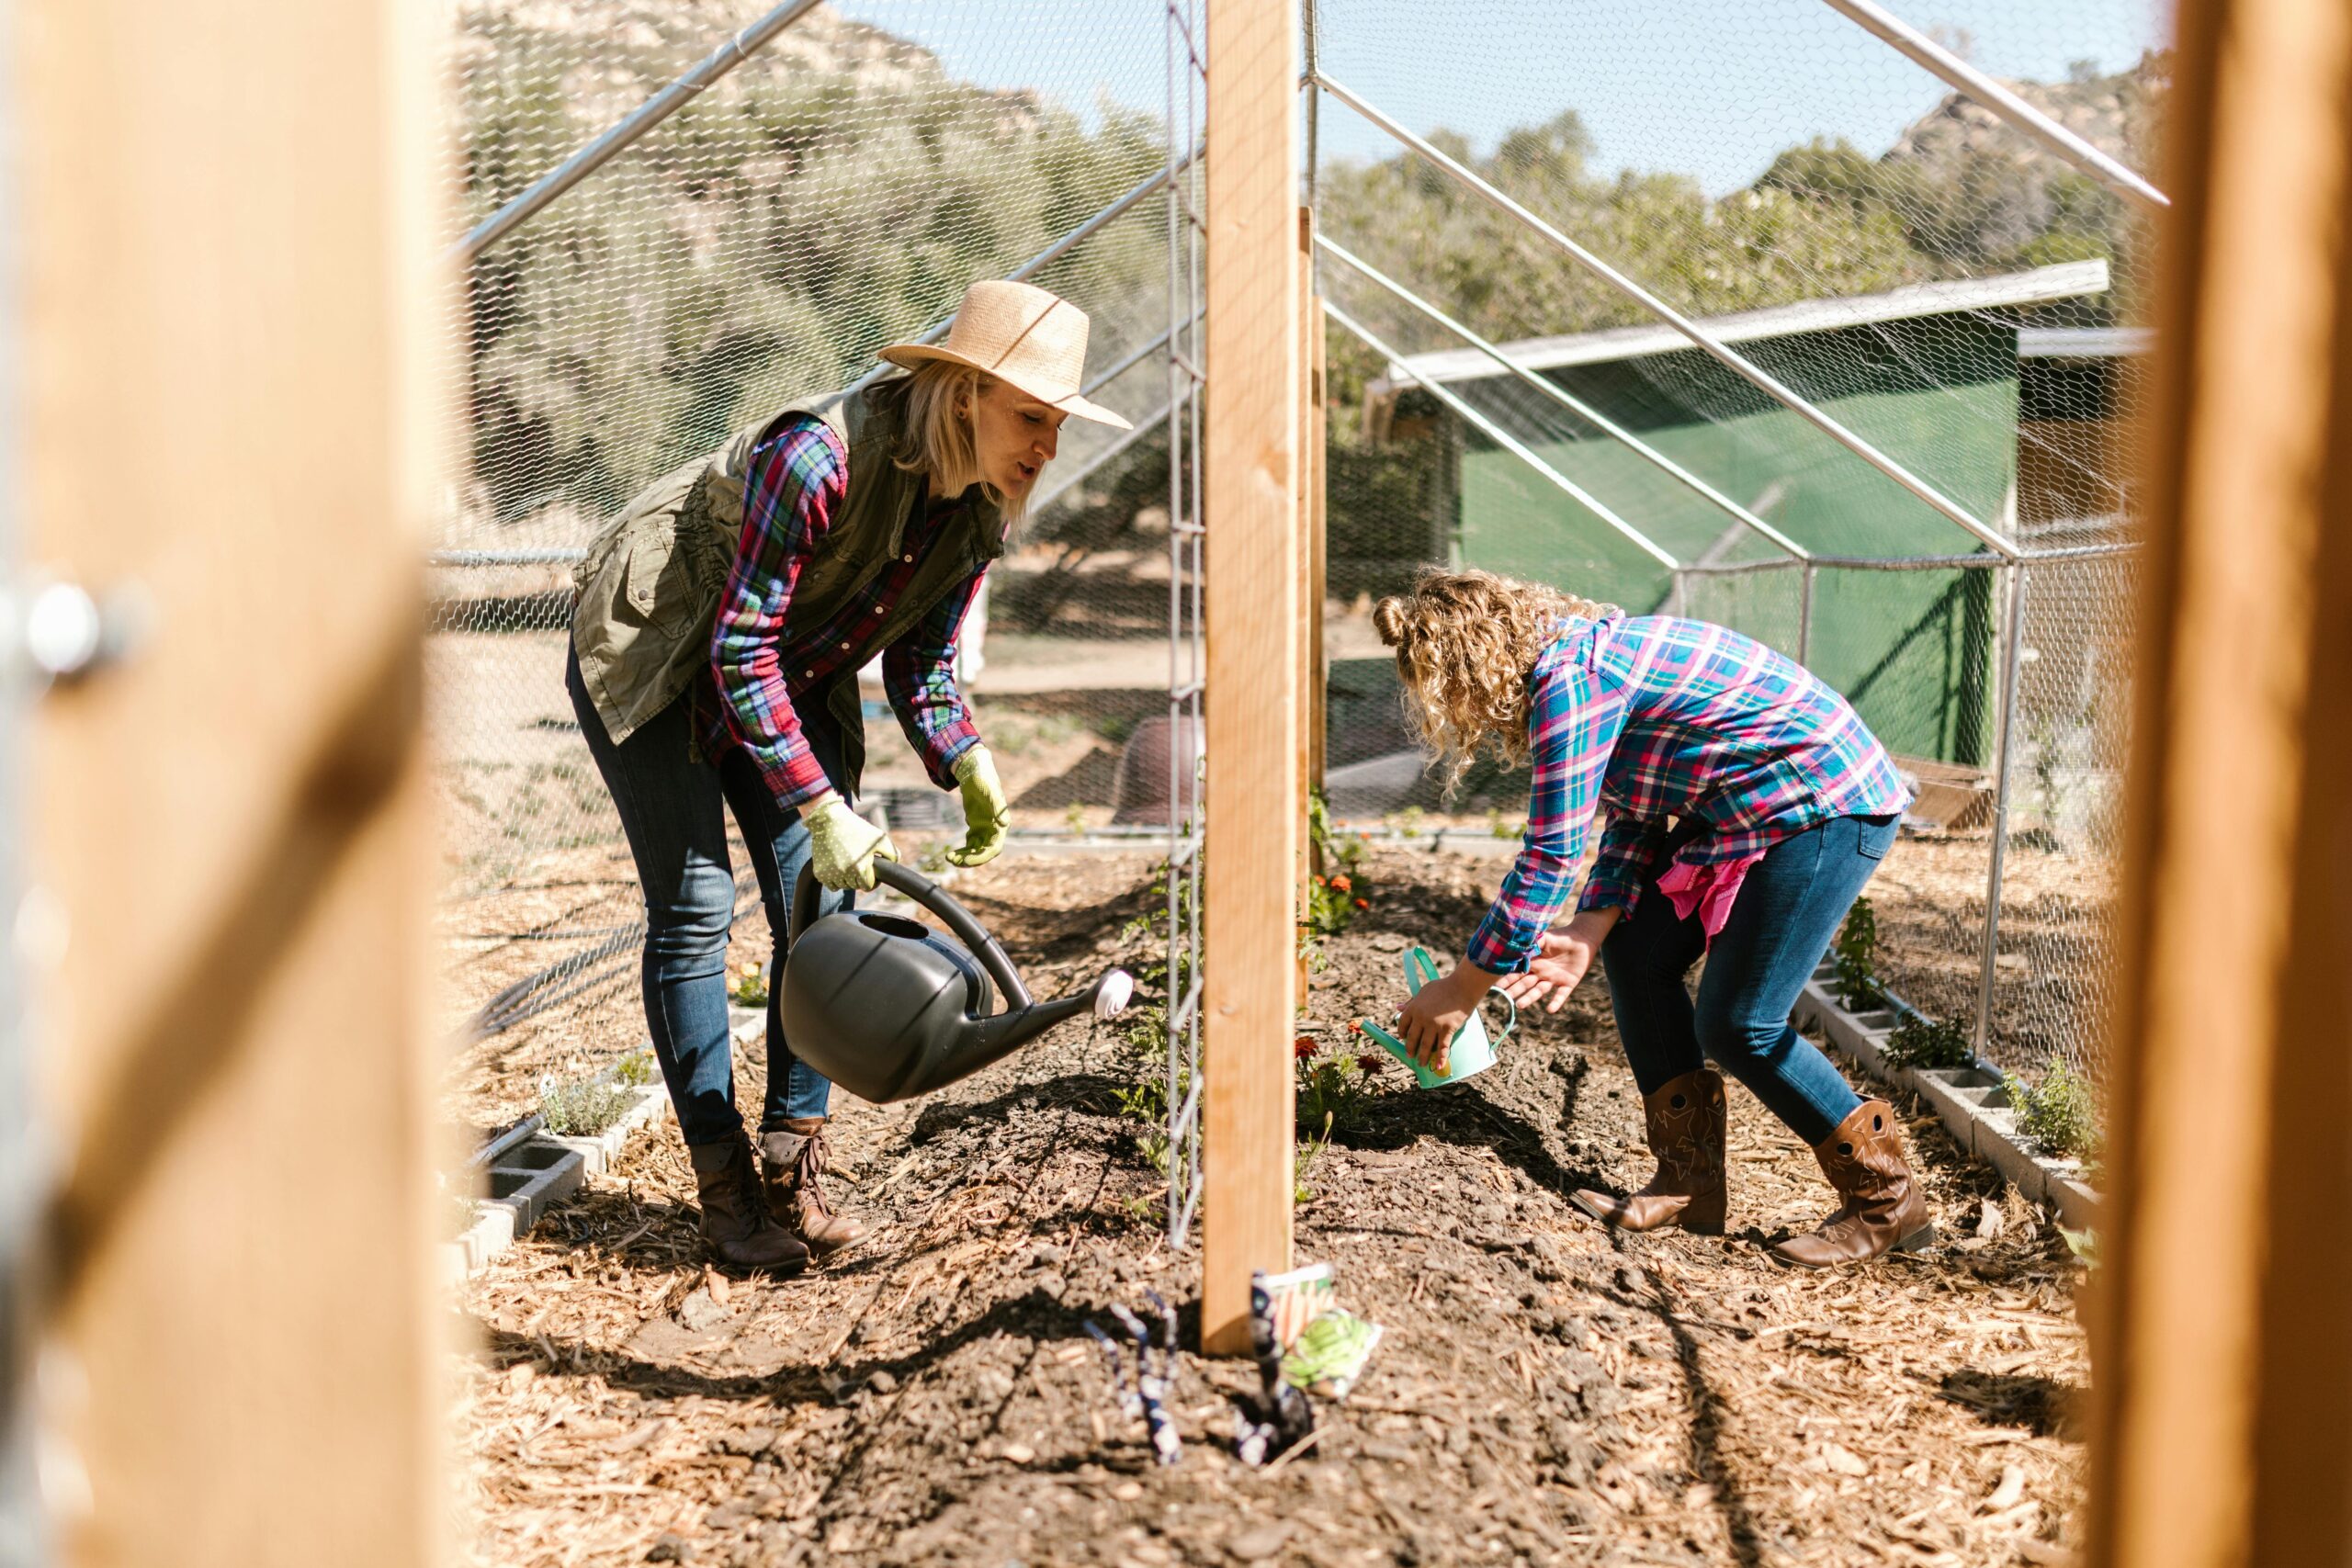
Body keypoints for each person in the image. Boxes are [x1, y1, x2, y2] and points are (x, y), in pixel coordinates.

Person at [567, 279, 1132, 1270]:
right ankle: (725, 1186)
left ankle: (794, 1164)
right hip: (660, 646)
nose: (1047, 447)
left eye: (1058, 425)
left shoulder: (976, 512)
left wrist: (964, 753)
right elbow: (737, 650)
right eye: (1031, 417)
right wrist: (822, 802)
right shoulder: (817, 456)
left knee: (818, 908)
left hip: (783, 670)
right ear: (964, 397)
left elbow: (919, 661)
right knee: (698, 907)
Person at [1380, 569, 1932, 1267]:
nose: (1458, 711)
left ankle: (1887, 1203)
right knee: (1637, 955)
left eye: (1446, 690)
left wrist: (1462, 989)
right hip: (1756, 802)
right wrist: (1588, 928)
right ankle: (1688, 1185)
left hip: (1824, 802)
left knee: (1740, 1023)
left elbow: (1552, 853)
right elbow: (1639, 804)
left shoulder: (1571, 682)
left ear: (1470, 664)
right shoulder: (1579, 662)